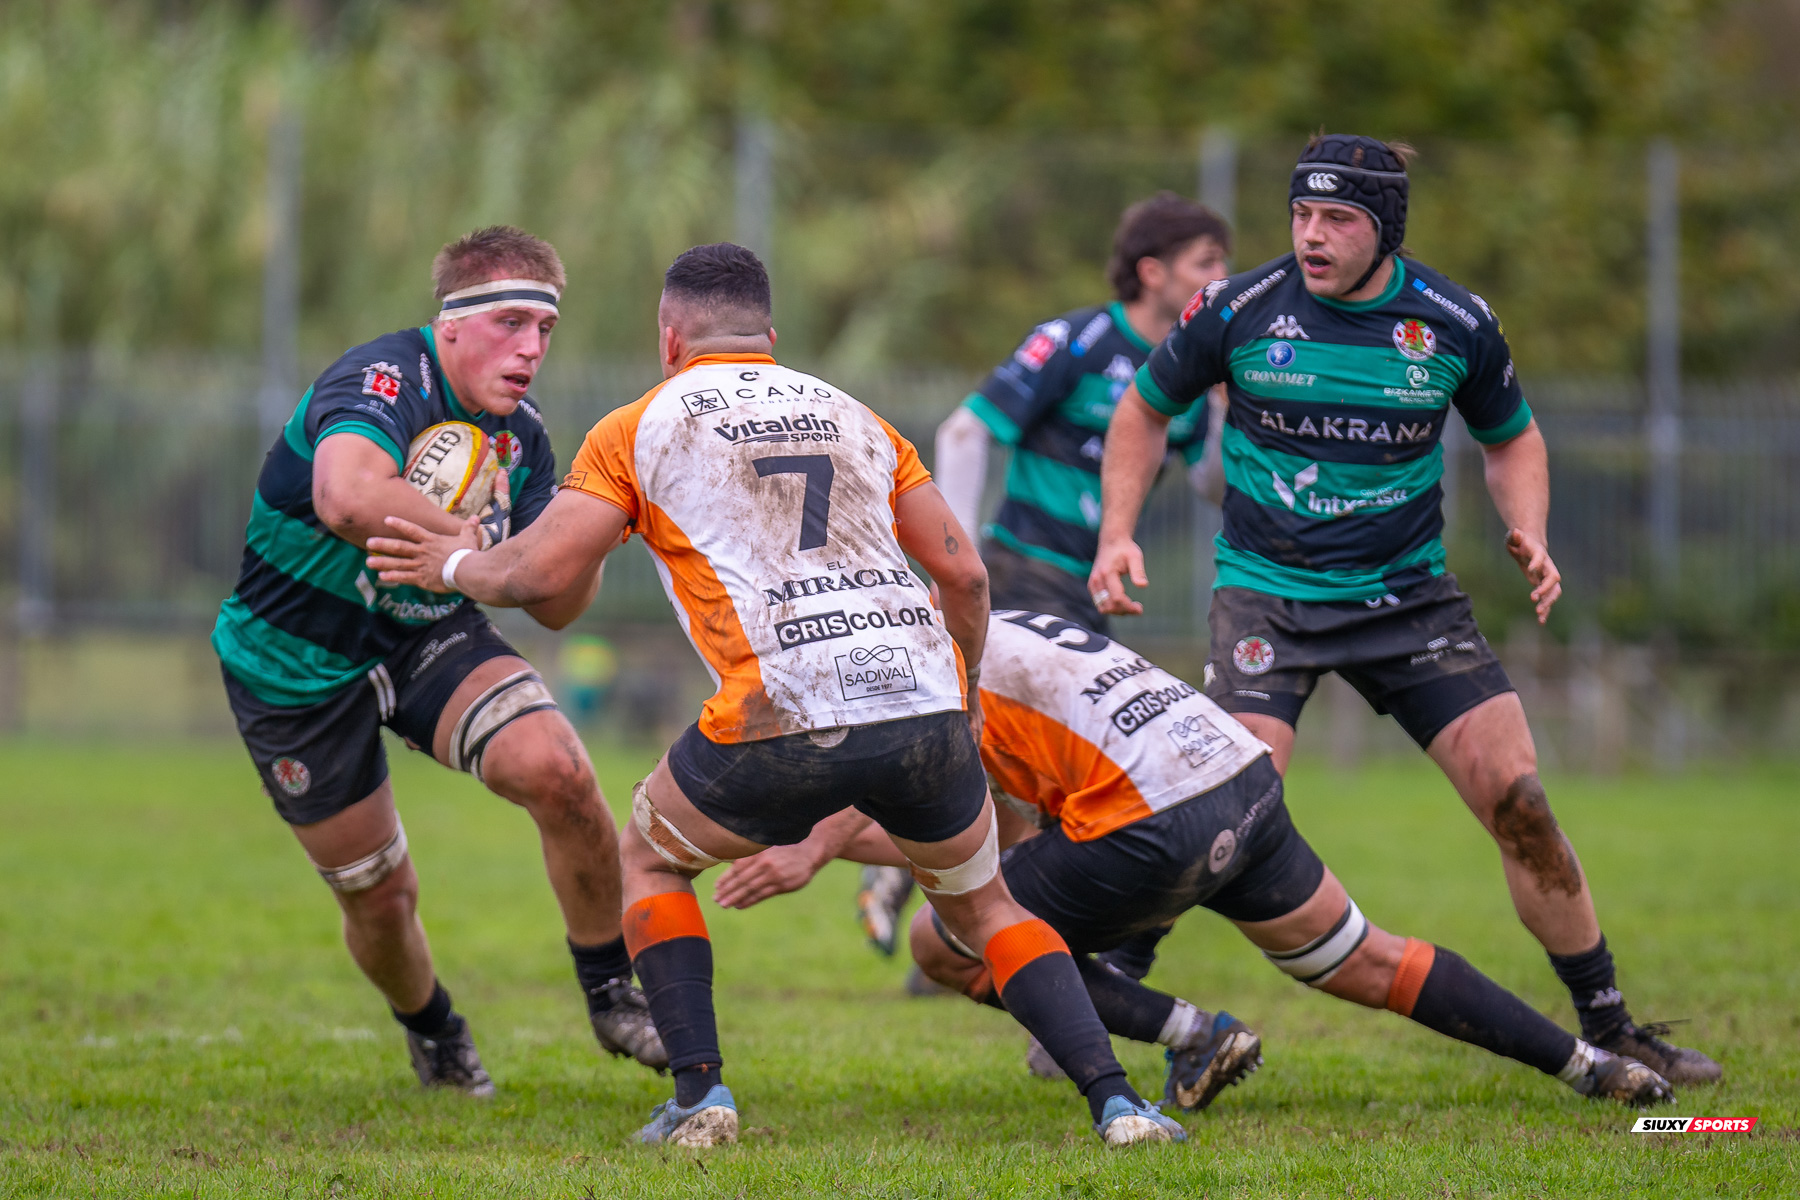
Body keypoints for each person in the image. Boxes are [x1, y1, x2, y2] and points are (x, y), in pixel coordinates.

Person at [366, 243, 1189, 1148]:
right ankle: (1120, 1106)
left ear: (669, 338)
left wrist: (450, 563)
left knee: (648, 859)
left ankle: (699, 1097)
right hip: (921, 703)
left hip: (783, 707)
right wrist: (961, 694)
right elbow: (964, 576)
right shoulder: (857, 415)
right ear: (770, 335)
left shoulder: (638, 424)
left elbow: (537, 574)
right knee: (987, 907)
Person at [1089, 133, 1720, 1085]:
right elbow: (1144, 409)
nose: (1311, 235)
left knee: (1520, 800)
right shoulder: (1236, 309)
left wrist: (1531, 530)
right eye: (1301, 213)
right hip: (1269, 597)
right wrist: (1117, 534)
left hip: (1409, 601)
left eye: (1337, 218)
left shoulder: (1454, 322)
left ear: (1384, 228)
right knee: (1223, 810)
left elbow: (1512, 439)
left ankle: (1611, 1021)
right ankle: (1130, 986)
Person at [716, 611, 1676, 1111]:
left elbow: (918, 803)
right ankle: (1591, 1067)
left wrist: (812, 844)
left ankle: (1194, 1035)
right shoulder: (994, 630)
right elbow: (974, 834)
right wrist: (827, 849)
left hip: (1152, 816)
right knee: (1367, 959)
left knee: (946, 941)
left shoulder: (918, 662)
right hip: (1239, 781)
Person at [212, 226, 665, 1097]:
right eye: (510, 323)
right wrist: (480, 541)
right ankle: (434, 1029)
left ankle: (612, 991)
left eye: (545, 329)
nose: (531, 348)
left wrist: (596, 530)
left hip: (424, 634)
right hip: (293, 662)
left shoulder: (522, 438)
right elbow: (346, 497)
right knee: (380, 898)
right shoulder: (383, 379)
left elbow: (557, 606)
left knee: (562, 772)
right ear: (451, 322)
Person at [867, 194, 1234, 973]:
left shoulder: (1191, 373)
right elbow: (966, 429)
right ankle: (1003, 944)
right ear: (1152, 272)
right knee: (1049, 779)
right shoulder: (1077, 341)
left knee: (1020, 777)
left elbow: (1213, 485)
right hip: (1022, 574)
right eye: (1206, 263)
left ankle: (936, 907)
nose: (1221, 278)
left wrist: (1227, 405)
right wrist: (951, 561)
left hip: (1089, 591)